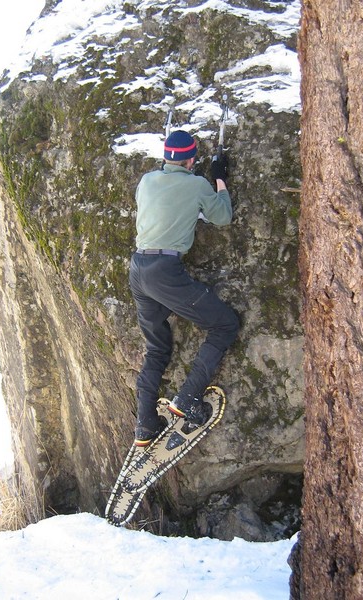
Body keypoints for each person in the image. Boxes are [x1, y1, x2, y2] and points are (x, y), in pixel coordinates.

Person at [129, 130, 239, 446]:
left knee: (157, 347)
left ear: (166, 157)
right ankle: (187, 398)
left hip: (138, 268)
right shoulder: (197, 185)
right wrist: (219, 179)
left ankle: (146, 424)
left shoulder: (147, 181)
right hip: (165, 271)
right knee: (224, 325)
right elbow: (222, 216)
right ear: (192, 160)